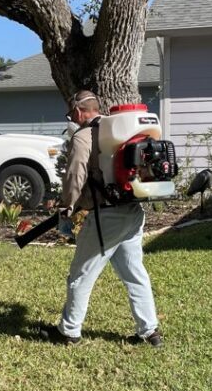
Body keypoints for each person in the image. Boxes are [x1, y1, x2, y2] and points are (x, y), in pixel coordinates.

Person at [43, 90, 163, 348]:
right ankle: (150, 331)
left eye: (70, 114)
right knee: (134, 273)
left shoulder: (84, 136)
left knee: (80, 275)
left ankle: (69, 332)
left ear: (78, 112)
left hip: (106, 216)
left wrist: (67, 205)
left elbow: (76, 174)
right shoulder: (120, 130)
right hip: (133, 210)